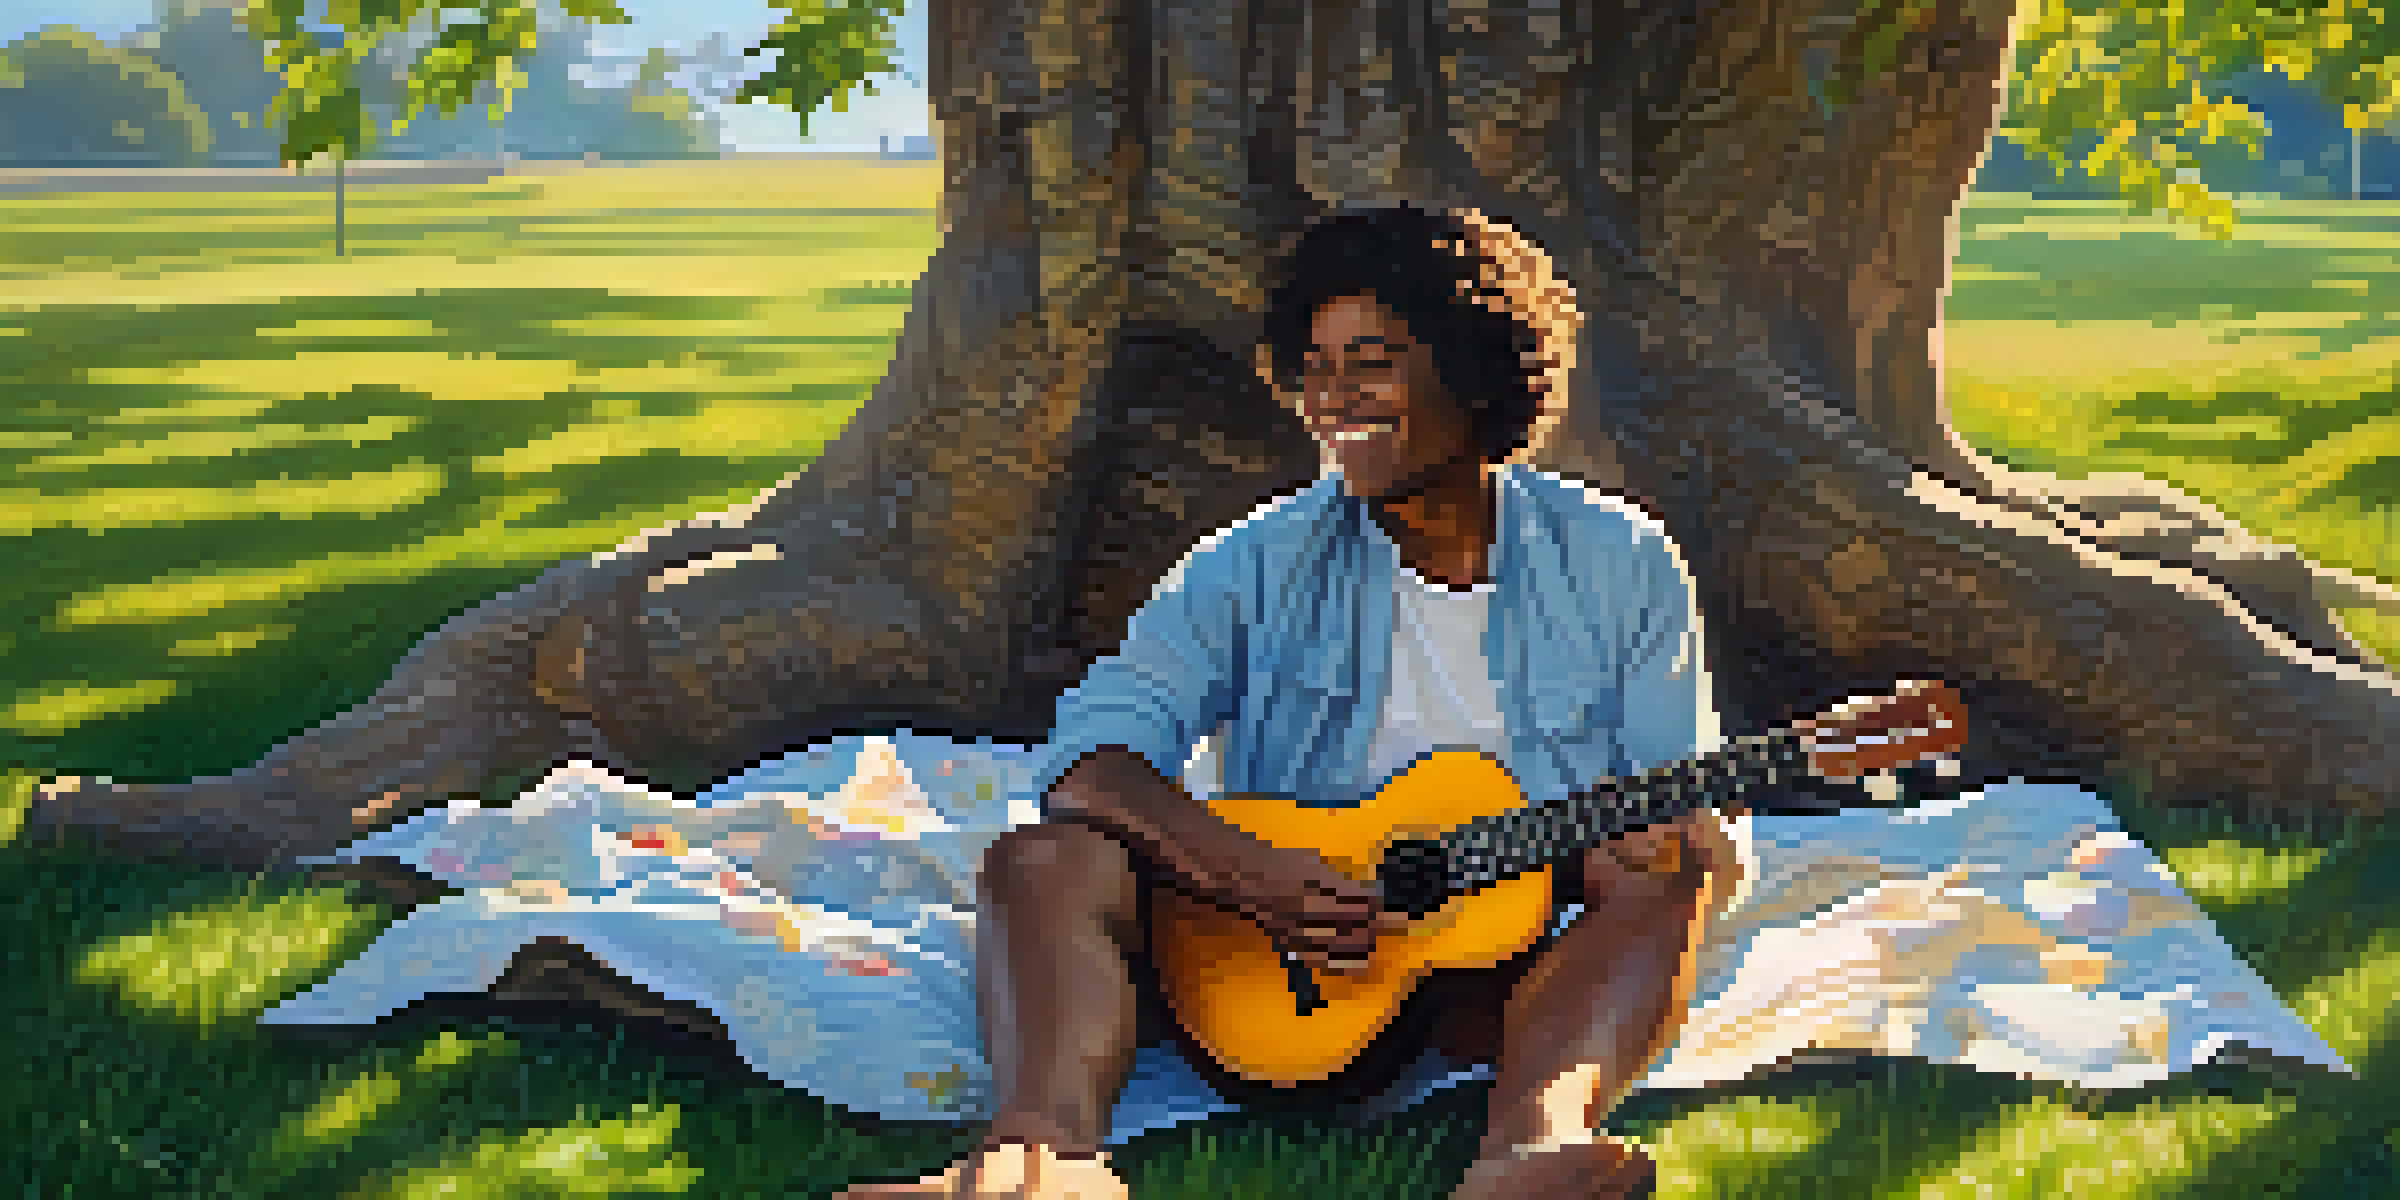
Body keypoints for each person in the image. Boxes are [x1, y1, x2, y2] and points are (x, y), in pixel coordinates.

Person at [836, 205, 1759, 1199]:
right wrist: (1243, 871)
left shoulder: (1618, 559)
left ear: (1476, 369)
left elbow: (1684, 796)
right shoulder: (1259, 559)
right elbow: (1093, 753)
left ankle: (1528, 1148)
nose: (1333, 400)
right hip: (1261, 961)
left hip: (1501, 974)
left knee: (1659, 884)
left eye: (1372, 363)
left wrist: (1692, 840)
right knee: (1043, 860)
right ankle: (1040, 1162)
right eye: (1314, 368)